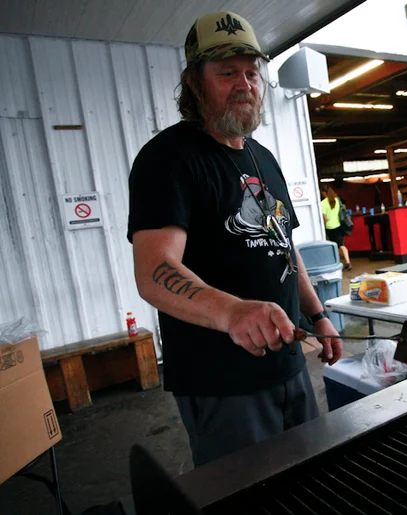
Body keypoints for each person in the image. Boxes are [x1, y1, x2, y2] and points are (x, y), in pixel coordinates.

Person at [126, 11, 342, 468]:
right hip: (220, 382)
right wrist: (233, 311)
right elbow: (153, 273)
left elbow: (285, 248)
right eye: (226, 73)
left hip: (289, 363)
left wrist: (318, 315)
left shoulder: (264, 158)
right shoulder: (168, 159)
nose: (244, 83)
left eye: (251, 72)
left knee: (308, 479)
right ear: (193, 82)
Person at [320, 184, 353, 271]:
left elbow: (324, 218)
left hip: (329, 228)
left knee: (332, 246)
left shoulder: (323, 203)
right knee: (342, 245)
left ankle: (335, 263)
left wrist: (323, 226)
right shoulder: (337, 200)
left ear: (324, 193)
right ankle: (348, 262)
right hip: (339, 226)